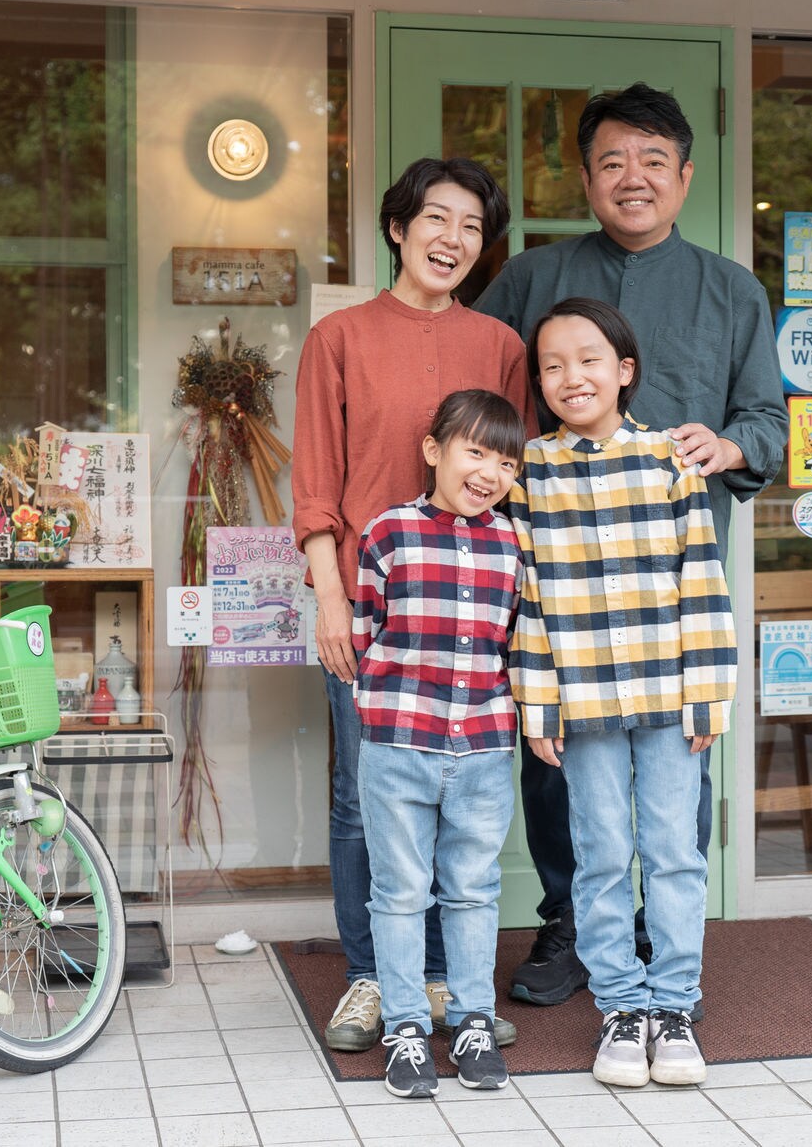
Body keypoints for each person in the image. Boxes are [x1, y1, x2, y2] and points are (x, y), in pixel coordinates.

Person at [474, 81, 786, 1008]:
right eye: (613, 161)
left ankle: (664, 935)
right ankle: (568, 923)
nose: (633, 178)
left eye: (654, 161)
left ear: (686, 177)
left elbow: (768, 419)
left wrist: (731, 445)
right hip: (559, 577)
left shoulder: (732, 289)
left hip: (672, 583)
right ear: (585, 176)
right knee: (558, 754)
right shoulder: (532, 277)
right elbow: (475, 391)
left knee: (676, 756)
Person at [291, 156, 536, 1052]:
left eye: (472, 227)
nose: (453, 240)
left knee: (463, 801)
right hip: (366, 608)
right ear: (399, 228)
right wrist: (329, 597)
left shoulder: (500, 347)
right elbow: (316, 482)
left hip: (470, 619)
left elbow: (516, 474)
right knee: (366, 800)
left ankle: (445, 984)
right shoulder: (341, 338)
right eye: (437, 219)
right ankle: (369, 979)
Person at [509, 296, 737, 1087]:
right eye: (553, 365)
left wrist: (708, 693)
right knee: (601, 856)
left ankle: (674, 1003)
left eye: (589, 359)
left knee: (674, 853)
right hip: (584, 705)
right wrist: (537, 704)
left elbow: (702, 583)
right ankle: (620, 1006)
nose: (572, 376)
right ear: (538, 381)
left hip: (672, 696)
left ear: (624, 371)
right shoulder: (530, 472)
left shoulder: (671, 461)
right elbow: (528, 598)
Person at [355, 389, 525, 1098]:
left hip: (485, 745)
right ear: (435, 450)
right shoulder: (388, 533)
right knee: (398, 894)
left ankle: (473, 1018)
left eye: (506, 461)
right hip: (398, 743)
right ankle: (404, 1029)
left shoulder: (516, 542)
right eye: (475, 451)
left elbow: (515, 640)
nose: (488, 471)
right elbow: (367, 630)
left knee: (473, 891)